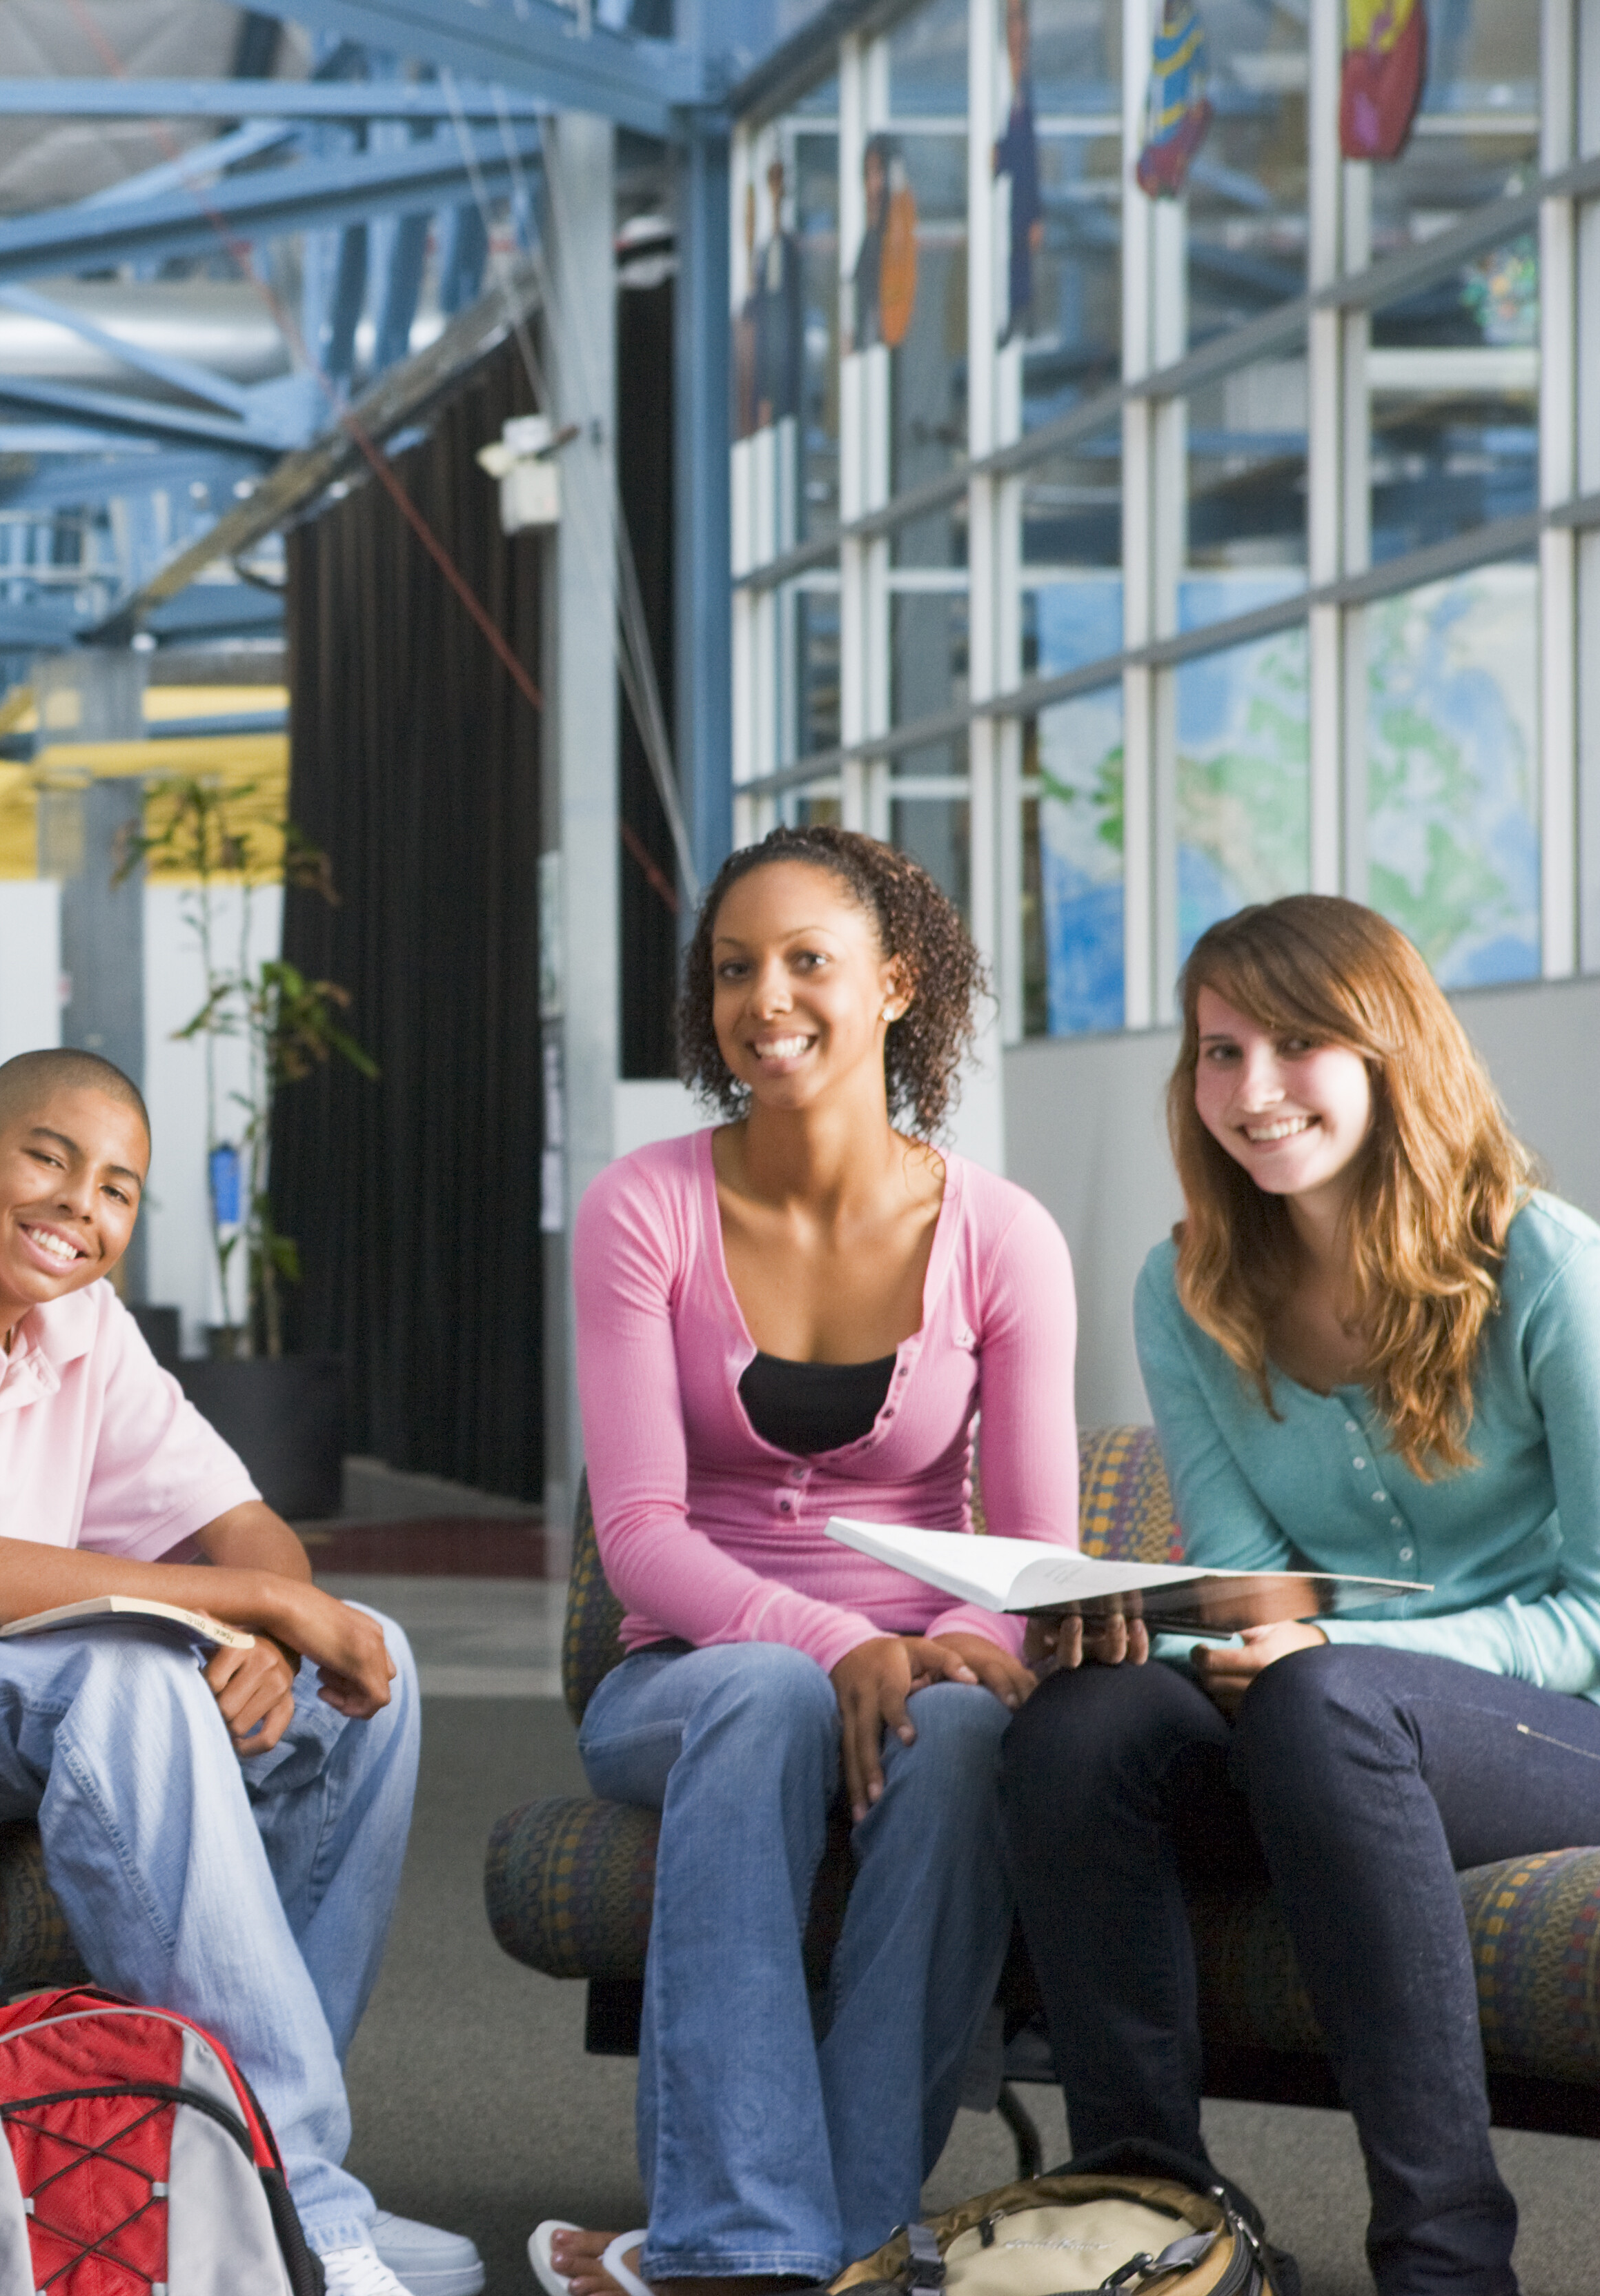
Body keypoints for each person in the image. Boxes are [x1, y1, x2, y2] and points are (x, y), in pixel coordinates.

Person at [0, 1046, 473, 2296]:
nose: (77, 1205)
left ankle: (252, 2177)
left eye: (116, 1188)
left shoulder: (80, 1318)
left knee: (366, 1673)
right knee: (130, 1676)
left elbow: (244, 1526)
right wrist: (262, 1604)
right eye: (48, 1158)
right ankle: (306, 2209)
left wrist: (276, 1634)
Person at [1003, 894, 1600, 2296]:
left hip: (1551, 1732)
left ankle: (1448, 2264)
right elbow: (1244, 1590)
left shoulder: (1546, 1264)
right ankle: (1146, 2217)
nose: (1252, 1088)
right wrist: (1146, 1629)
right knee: (1083, 1723)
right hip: (1318, 1728)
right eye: (1220, 1050)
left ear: (1392, 1052)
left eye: (1297, 1043)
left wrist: (1323, 1646)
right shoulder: (1186, 1287)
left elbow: (1594, 1610)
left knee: (1327, 1696)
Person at [538, 824, 1079, 2296]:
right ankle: (733, 2234)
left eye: (805, 961)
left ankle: (839, 2237)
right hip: (691, 1672)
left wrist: (961, 1650)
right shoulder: (643, 1208)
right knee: (766, 1695)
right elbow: (640, 1541)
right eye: (734, 969)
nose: (763, 999)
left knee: (964, 1735)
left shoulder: (1003, 1236)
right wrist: (838, 1643)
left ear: (895, 984)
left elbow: (1032, 1546)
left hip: (926, 1663)